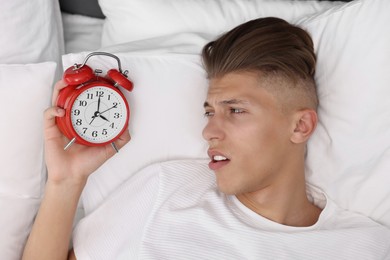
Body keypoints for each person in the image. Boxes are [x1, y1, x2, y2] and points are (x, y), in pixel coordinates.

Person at [22, 17, 390, 260]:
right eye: (209, 111)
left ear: (300, 127)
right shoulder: (166, 190)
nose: (209, 132)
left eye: (236, 110)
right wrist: (66, 181)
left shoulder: (365, 247)